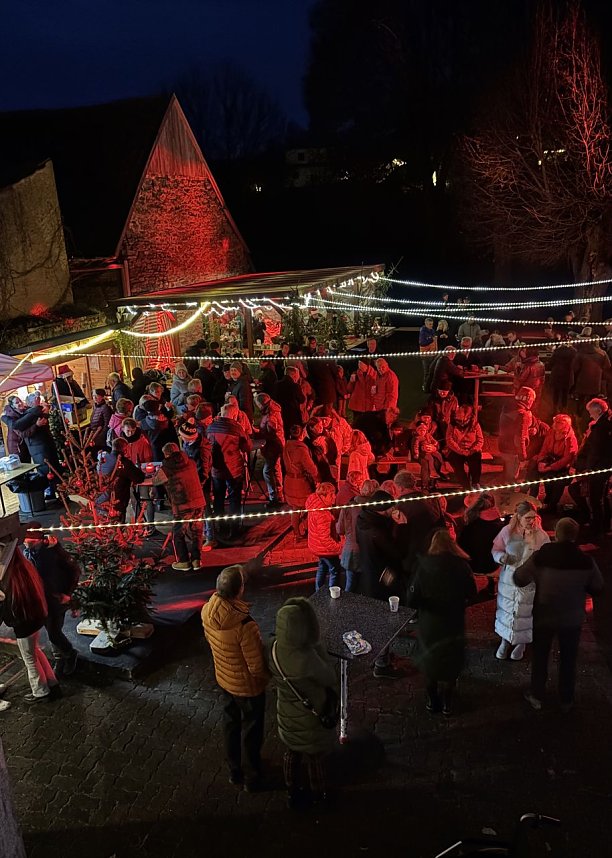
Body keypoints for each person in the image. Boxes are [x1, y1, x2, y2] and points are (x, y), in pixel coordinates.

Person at [514, 518, 604, 712]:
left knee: (540, 655)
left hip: (545, 614)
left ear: (556, 532)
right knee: (569, 658)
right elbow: (598, 587)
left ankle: (537, 695)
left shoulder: (541, 556)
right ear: (575, 536)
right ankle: (566, 699)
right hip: (572, 617)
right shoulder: (586, 561)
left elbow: (519, 578)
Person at [201, 565, 268, 790]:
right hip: (248, 688)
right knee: (252, 730)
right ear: (239, 590)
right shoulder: (244, 626)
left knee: (230, 724)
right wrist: (268, 678)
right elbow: (256, 666)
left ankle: (234, 770)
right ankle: (252, 775)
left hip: (224, 680)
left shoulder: (206, 612)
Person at [268, 597, 337, 809]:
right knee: (314, 756)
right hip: (311, 715)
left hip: (287, 713)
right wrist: (318, 647)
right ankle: (320, 795)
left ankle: (293, 792)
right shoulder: (306, 658)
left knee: (292, 752)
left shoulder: (272, 649)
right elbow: (329, 678)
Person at [408, 529, 476, 715]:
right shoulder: (462, 566)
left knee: (431, 661)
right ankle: (447, 702)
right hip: (453, 620)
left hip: (430, 623)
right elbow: (472, 592)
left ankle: (432, 700)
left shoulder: (424, 566)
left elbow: (412, 599)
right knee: (451, 661)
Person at [0, 545, 60, 705]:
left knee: (29, 659)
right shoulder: (24, 568)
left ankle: (40, 692)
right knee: (35, 652)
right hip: (34, 619)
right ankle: (52, 683)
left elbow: (10, 607)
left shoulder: (9, 579)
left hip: (24, 624)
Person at [492, 500, 550, 661]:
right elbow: (496, 549)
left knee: (525, 614)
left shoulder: (542, 536)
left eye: (534, 517)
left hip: (529, 582)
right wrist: (501, 557)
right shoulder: (507, 532)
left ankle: (521, 644)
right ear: (518, 517)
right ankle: (505, 641)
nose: (532, 521)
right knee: (507, 611)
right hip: (509, 581)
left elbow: (546, 559)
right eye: (528, 518)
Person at [356, 490, 405, 678]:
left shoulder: (363, 519)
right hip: (382, 580)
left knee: (377, 619)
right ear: (382, 510)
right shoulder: (377, 531)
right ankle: (381, 664)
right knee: (384, 622)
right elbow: (396, 552)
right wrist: (400, 526)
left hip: (370, 575)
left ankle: (379, 656)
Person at [22, 523, 80, 676]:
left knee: (54, 632)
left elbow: (74, 570)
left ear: (41, 540)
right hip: (42, 599)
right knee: (51, 630)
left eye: (31, 542)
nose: (27, 545)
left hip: (57, 599)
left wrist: (67, 593)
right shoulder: (28, 553)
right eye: (25, 542)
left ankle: (69, 654)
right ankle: (59, 658)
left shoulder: (53, 552)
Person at [153, 442, 205, 571]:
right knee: (196, 532)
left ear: (166, 454)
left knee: (178, 533)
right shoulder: (191, 462)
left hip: (182, 504)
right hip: (198, 502)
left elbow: (156, 481)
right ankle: (196, 560)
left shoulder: (167, 468)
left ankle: (183, 561)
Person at [568, 398, 612, 537]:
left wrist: (589, 468)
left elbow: (595, 451)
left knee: (596, 498)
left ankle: (597, 527)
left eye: (590, 411)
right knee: (602, 497)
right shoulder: (607, 424)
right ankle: (604, 525)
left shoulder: (600, 428)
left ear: (598, 410)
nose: (589, 414)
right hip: (604, 467)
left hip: (598, 468)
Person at [206, 402, 251, 536]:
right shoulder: (236, 428)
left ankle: (220, 526)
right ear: (234, 414)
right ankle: (234, 528)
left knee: (218, 499)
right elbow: (246, 447)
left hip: (216, 469)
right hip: (233, 469)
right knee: (234, 499)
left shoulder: (211, 427)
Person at [458, 492, 504, 595]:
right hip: (494, 565)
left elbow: (461, 546)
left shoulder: (471, 526)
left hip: (474, 565)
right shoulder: (500, 525)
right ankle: (492, 585)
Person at [336, 474, 375, 593]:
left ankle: (346, 609)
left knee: (350, 585)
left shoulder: (348, 506)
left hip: (350, 550)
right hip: (367, 552)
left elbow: (340, 530)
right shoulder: (374, 508)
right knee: (366, 587)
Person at [532, 414, 578, 512]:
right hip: (550, 461)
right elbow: (544, 449)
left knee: (558, 483)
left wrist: (550, 467)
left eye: (559, 423)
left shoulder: (570, 439)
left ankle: (552, 505)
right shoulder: (551, 433)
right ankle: (543, 501)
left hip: (563, 467)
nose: (556, 424)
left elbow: (567, 458)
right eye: (555, 421)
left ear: (566, 425)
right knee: (542, 477)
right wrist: (541, 461)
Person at [305, 483, 344, 591]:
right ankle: (333, 594)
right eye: (331, 495)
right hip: (325, 549)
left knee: (322, 567)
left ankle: (318, 591)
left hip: (316, 545)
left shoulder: (315, 505)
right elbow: (325, 539)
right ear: (322, 496)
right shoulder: (322, 514)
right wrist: (338, 548)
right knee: (335, 569)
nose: (334, 497)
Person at [97, 437, 146, 522]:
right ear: (124, 448)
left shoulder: (103, 459)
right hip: (117, 500)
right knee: (118, 527)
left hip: (102, 497)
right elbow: (139, 478)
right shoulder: (124, 463)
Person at [283, 425, 318, 537]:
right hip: (300, 482)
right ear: (301, 434)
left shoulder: (286, 446)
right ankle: (308, 530)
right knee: (308, 506)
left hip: (289, 480)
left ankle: (296, 533)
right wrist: (317, 478)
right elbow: (311, 468)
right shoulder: (301, 450)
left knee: (295, 508)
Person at [498, 386, 537, 481]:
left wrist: (527, 430)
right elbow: (519, 438)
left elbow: (511, 427)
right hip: (513, 451)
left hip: (503, 446)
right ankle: (508, 495)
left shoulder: (507, 406)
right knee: (512, 478)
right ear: (529, 399)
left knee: (505, 473)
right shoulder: (523, 414)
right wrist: (522, 455)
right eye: (532, 400)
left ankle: (502, 493)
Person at [254, 393, 285, 508]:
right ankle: (279, 494)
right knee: (276, 469)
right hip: (276, 445)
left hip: (273, 446)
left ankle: (274, 498)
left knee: (267, 471)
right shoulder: (272, 411)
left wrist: (258, 433)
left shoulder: (271, 415)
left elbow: (271, 433)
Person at [445, 404, 483, 490]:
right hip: (457, 449)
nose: (461, 423)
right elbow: (449, 440)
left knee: (476, 461)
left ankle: (475, 482)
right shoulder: (452, 425)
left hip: (472, 449)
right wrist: (460, 451)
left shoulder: (475, 424)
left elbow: (480, 440)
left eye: (464, 421)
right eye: (459, 420)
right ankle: (465, 485)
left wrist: (473, 450)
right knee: (456, 464)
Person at [411, 420, 443, 491]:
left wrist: (434, 446)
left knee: (436, 459)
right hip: (422, 455)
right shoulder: (417, 437)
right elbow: (415, 446)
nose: (422, 432)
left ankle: (433, 482)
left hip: (430, 452)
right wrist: (418, 453)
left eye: (424, 430)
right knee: (425, 463)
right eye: (420, 430)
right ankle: (425, 484)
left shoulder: (428, 435)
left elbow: (436, 442)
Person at [274, 365, 306, 435]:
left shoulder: (277, 384)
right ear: (293, 375)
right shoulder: (295, 386)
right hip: (293, 413)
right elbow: (302, 399)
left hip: (281, 412)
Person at [1, 395, 30, 462]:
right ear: (13, 406)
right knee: (23, 465)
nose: (20, 403)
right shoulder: (12, 417)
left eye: (20, 401)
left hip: (22, 444)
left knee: (27, 464)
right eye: (17, 402)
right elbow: (21, 433)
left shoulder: (21, 412)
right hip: (16, 446)